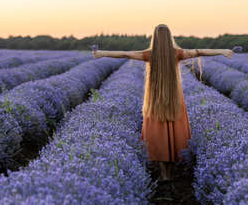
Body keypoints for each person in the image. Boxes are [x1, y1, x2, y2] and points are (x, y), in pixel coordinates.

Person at [92, 24, 233, 181]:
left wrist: (102, 53)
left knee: (157, 134)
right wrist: (223, 51)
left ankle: (163, 173)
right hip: (174, 100)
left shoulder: (149, 55)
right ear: (169, 38)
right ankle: (170, 171)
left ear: (155, 38)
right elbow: (199, 51)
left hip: (155, 100)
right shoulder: (177, 53)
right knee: (174, 133)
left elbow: (126, 54)